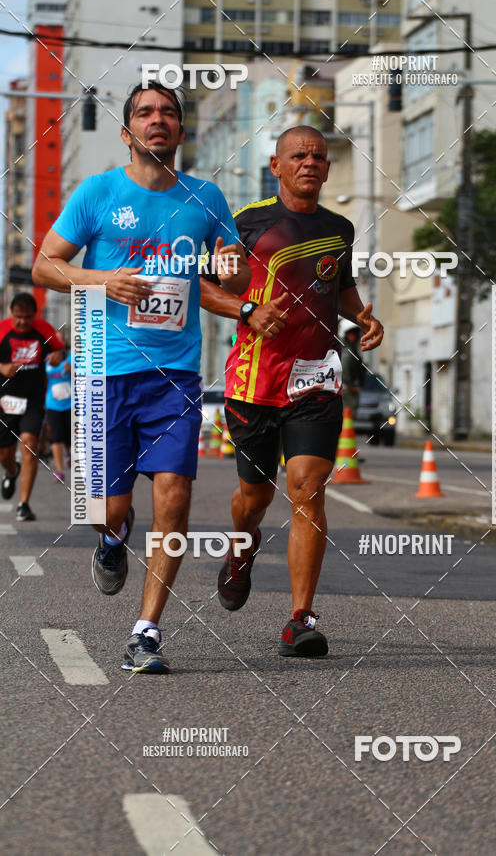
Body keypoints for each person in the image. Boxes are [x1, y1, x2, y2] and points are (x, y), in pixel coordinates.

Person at [33, 81, 283, 674]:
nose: (158, 120)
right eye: (145, 113)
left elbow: (232, 277)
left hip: (173, 374)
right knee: (110, 508)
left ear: (180, 130)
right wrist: (102, 282)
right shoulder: (98, 193)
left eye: (168, 113)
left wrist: (231, 267)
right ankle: (113, 538)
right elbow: (45, 264)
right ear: (128, 133)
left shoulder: (205, 197)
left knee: (174, 492)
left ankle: (146, 631)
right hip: (103, 371)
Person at [217, 126, 384, 657]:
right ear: (277, 165)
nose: (309, 163)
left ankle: (300, 617)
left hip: (315, 377)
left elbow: (337, 285)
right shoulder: (247, 222)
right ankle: (241, 550)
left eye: (318, 156)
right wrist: (244, 304)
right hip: (253, 380)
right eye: (299, 155)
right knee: (254, 498)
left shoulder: (339, 227)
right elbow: (213, 285)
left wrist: (360, 318)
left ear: (328, 168)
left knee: (308, 488)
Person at [0, 292, 66, 520]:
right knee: (5, 454)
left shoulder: (44, 330)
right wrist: (3, 368)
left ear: (34, 315)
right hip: (6, 400)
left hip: (34, 400)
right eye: (18, 317)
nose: (22, 322)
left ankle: (24, 504)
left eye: (27, 317)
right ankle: (11, 471)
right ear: (12, 314)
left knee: (30, 446)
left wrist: (58, 354)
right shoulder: (2, 331)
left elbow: (60, 349)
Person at [45, 347, 71, 483]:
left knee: (70, 437)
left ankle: (69, 454)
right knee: (56, 438)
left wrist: (72, 370)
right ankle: (59, 471)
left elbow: (83, 376)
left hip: (71, 403)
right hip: (53, 404)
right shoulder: (47, 359)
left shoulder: (71, 357)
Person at [341, 325, 365, 419]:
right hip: (347, 390)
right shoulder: (347, 351)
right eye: (350, 334)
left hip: (349, 389)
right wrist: (351, 385)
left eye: (355, 334)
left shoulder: (352, 349)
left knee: (349, 417)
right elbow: (345, 368)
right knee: (347, 416)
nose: (353, 336)